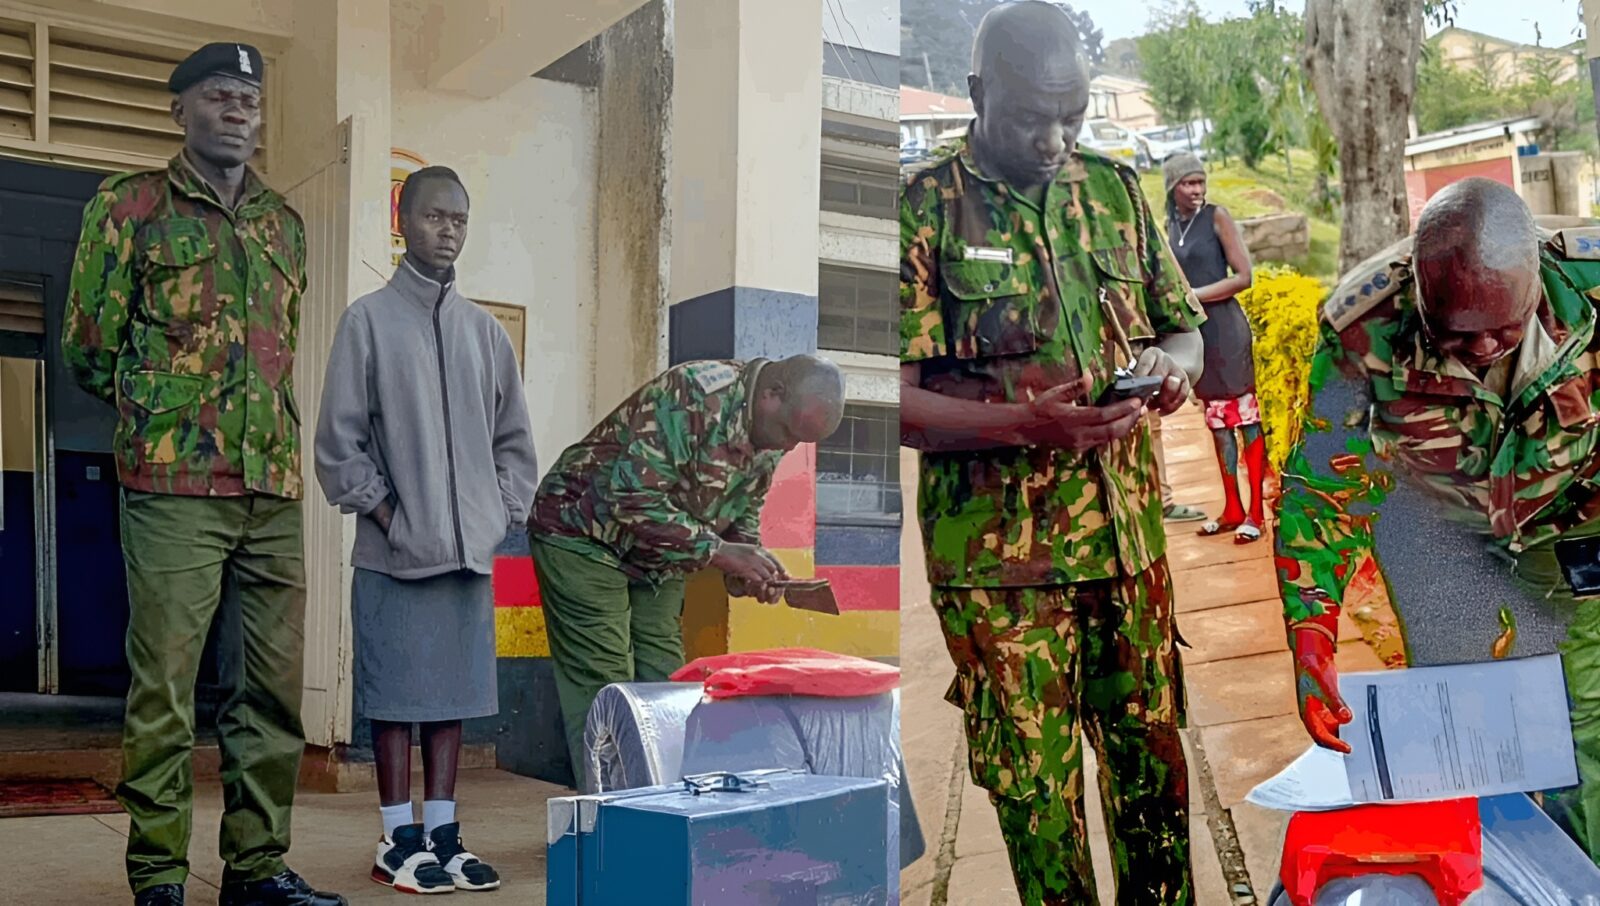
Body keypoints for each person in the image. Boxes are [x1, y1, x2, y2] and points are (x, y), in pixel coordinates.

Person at [898, 3, 1207, 902]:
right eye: (1032, 116)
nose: (1053, 137)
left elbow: (1179, 329)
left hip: (1131, 553)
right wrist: (1023, 424)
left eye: (1070, 116)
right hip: (1000, 573)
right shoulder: (921, 211)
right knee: (1036, 801)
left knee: (1155, 777)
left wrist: (1169, 370)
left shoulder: (1112, 189)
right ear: (976, 93)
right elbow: (885, 400)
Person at [61, 43, 345, 906]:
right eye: (220, 96)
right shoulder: (131, 205)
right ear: (178, 109)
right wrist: (169, 416)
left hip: (272, 491)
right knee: (167, 691)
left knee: (271, 692)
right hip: (173, 486)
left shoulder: (283, 224)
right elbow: (89, 349)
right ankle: (157, 877)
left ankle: (255, 870)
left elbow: (281, 353)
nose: (239, 112)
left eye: (251, 102)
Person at [1277, 177, 1600, 862]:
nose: (1481, 350)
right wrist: (1311, 635)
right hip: (1438, 531)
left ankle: (1580, 876)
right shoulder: (1365, 325)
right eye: (1456, 333)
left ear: (1538, 277)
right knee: (1465, 728)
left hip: (1575, 520)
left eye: (1504, 329)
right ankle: (1489, 875)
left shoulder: (1594, 287)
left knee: (1586, 724)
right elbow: (1323, 487)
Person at [313, 166, 538, 893]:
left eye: (460, 220)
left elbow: (514, 443)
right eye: (435, 217)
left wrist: (494, 515)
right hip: (393, 555)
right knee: (393, 701)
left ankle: (442, 833)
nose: (448, 231)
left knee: (451, 702)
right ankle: (396, 837)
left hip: (468, 555)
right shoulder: (367, 322)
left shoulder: (484, 335)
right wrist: (389, 513)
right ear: (402, 221)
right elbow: (337, 443)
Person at [529, 354, 846, 790]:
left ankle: (660, 808)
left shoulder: (771, 435)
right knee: (605, 686)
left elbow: (743, 511)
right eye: (790, 434)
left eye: (799, 443)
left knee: (666, 683)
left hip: (658, 558)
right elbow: (630, 496)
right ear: (771, 395)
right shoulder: (695, 393)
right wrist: (719, 551)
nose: (789, 448)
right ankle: (606, 826)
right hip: (584, 534)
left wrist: (751, 569)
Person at [1162, 153, 1263, 543]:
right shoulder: (1172, 226)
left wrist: (1193, 297)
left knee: (1245, 419)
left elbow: (1244, 277)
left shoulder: (1216, 217)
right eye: (1188, 183)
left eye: (1200, 182)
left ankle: (1256, 512)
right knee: (1218, 422)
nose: (1197, 190)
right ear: (1172, 187)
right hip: (1200, 335)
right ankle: (1232, 508)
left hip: (1228, 332)